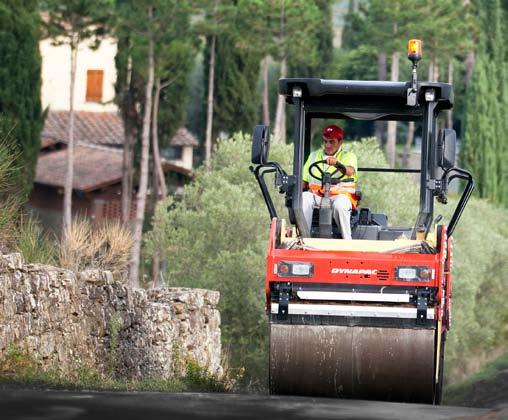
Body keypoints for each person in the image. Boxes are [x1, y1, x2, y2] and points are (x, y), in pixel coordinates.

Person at [302, 124, 358, 240]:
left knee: (340, 205)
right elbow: (304, 182)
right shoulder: (313, 156)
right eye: (325, 141)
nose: (327, 145)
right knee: (303, 197)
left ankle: (347, 241)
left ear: (340, 142)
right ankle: (304, 238)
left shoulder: (348, 156)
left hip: (339, 197)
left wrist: (337, 164)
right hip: (317, 197)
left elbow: (349, 171)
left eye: (332, 142)